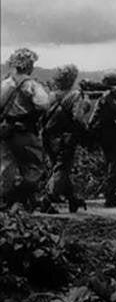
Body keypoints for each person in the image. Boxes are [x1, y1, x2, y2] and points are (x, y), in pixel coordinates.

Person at [0, 48, 50, 210]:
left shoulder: (5, 83)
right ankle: (18, 199)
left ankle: (5, 202)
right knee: (33, 167)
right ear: (30, 66)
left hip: (5, 130)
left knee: (6, 166)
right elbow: (43, 104)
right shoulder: (31, 85)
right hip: (25, 131)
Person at [41, 64, 90, 213]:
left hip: (48, 137)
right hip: (66, 137)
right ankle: (47, 199)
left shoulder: (50, 96)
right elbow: (78, 118)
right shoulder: (75, 96)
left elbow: (42, 115)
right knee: (62, 168)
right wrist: (85, 133)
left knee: (59, 167)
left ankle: (72, 199)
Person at [87, 73, 116, 207]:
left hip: (106, 136)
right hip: (113, 136)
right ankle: (109, 196)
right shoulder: (108, 97)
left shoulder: (105, 97)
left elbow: (95, 116)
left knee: (111, 164)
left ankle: (110, 194)